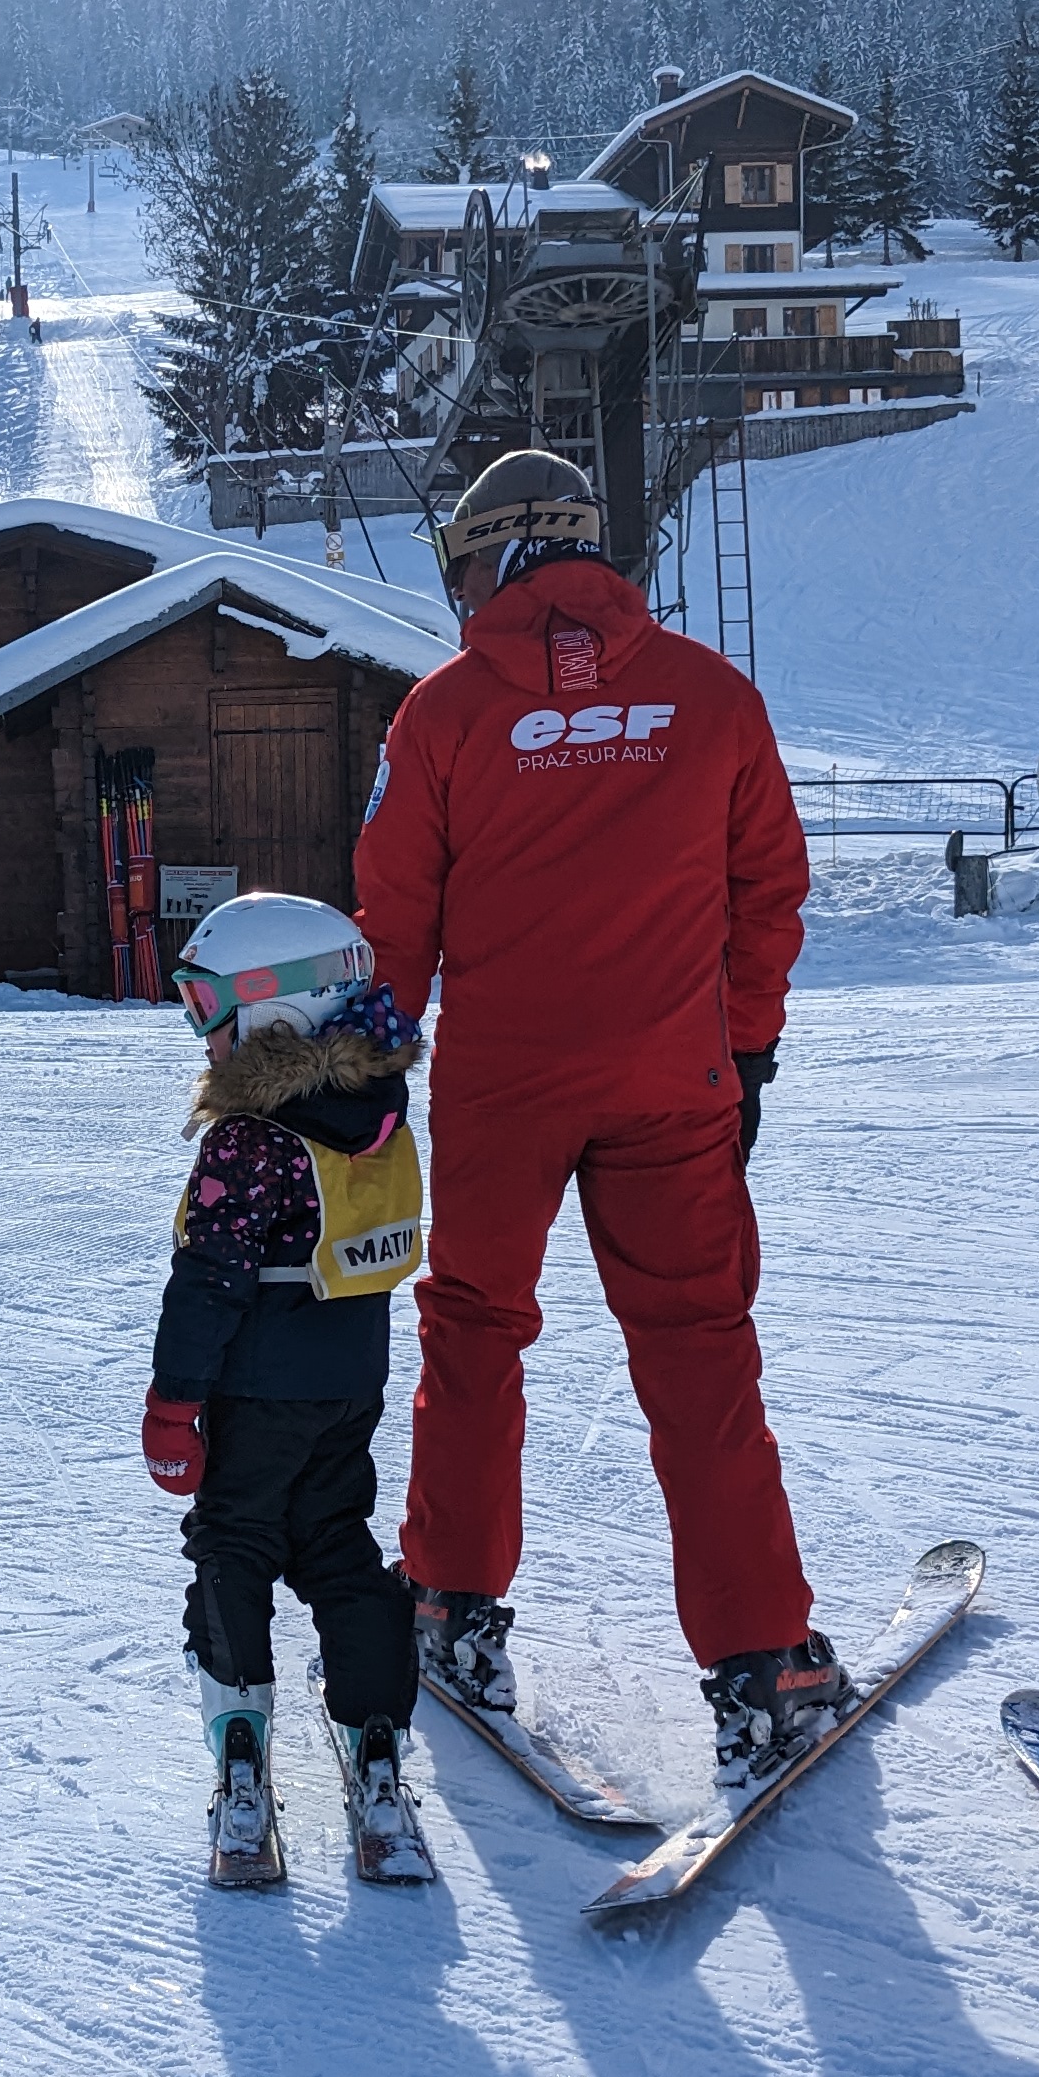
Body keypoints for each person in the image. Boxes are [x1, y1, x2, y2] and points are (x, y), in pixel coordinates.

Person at [351, 448, 840, 1779]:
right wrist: (746, 1050)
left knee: (474, 1331)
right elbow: (769, 890)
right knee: (699, 1352)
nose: (459, 597)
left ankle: (449, 1606)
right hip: (670, 1086)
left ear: (501, 554)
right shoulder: (711, 697)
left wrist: (371, 1068)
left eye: (461, 569)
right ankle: (765, 1659)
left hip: (501, 1092)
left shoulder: (446, 714)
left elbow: (393, 917)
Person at [143, 893, 430, 1879]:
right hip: (350, 1383)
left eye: (209, 1006)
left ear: (275, 1007)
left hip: (259, 1387)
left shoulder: (251, 1139)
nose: (202, 1031)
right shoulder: (376, 1110)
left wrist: (175, 1401)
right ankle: (377, 1747)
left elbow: (210, 1280)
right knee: (337, 1545)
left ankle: (240, 1755)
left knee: (235, 1545)